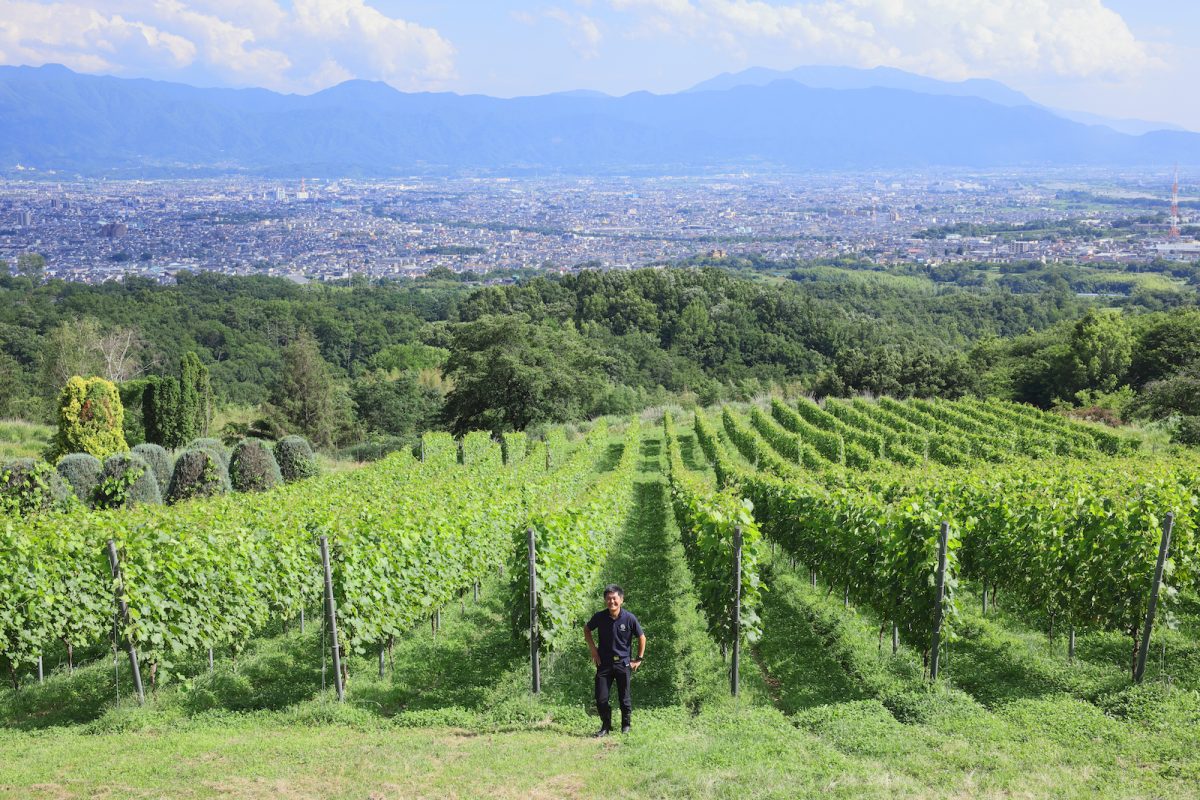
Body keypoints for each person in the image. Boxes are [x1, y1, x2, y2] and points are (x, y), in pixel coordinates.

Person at [584, 584, 646, 737]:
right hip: (604, 663)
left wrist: (638, 658)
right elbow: (587, 629)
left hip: (623, 663)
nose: (611, 602)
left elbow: (641, 637)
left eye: (614, 598)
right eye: (608, 599)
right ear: (605, 600)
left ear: (621, 599)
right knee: (601, 697)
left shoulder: (629, 618)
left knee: (624, 697)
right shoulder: (600, 617)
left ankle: (626, 726)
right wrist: (593, 651)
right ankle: (605, 726)